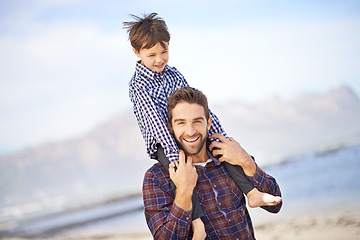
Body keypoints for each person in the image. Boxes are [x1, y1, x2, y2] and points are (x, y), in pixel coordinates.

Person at [123, 13, 281, 239]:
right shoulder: (138, 85)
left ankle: (253, 192)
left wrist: (222, 139)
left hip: (182, 135)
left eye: (164, 51)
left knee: (223, 147)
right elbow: (156, 123)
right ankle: (197, 223)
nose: (159, 59)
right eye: (152, 54)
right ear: (136, 53)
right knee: (183, 176)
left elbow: (196, 106)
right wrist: (177, 160)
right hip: (162, 142)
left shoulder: (174, 74)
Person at [143, 86, 282, 239]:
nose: (190, 131)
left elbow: (275, 204)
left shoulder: (230, 155)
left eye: (197, 121)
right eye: (181, 123)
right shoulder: (156, 177)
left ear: (208, 123)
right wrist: (184, 190)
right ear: (170, 127)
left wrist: (247, 162)